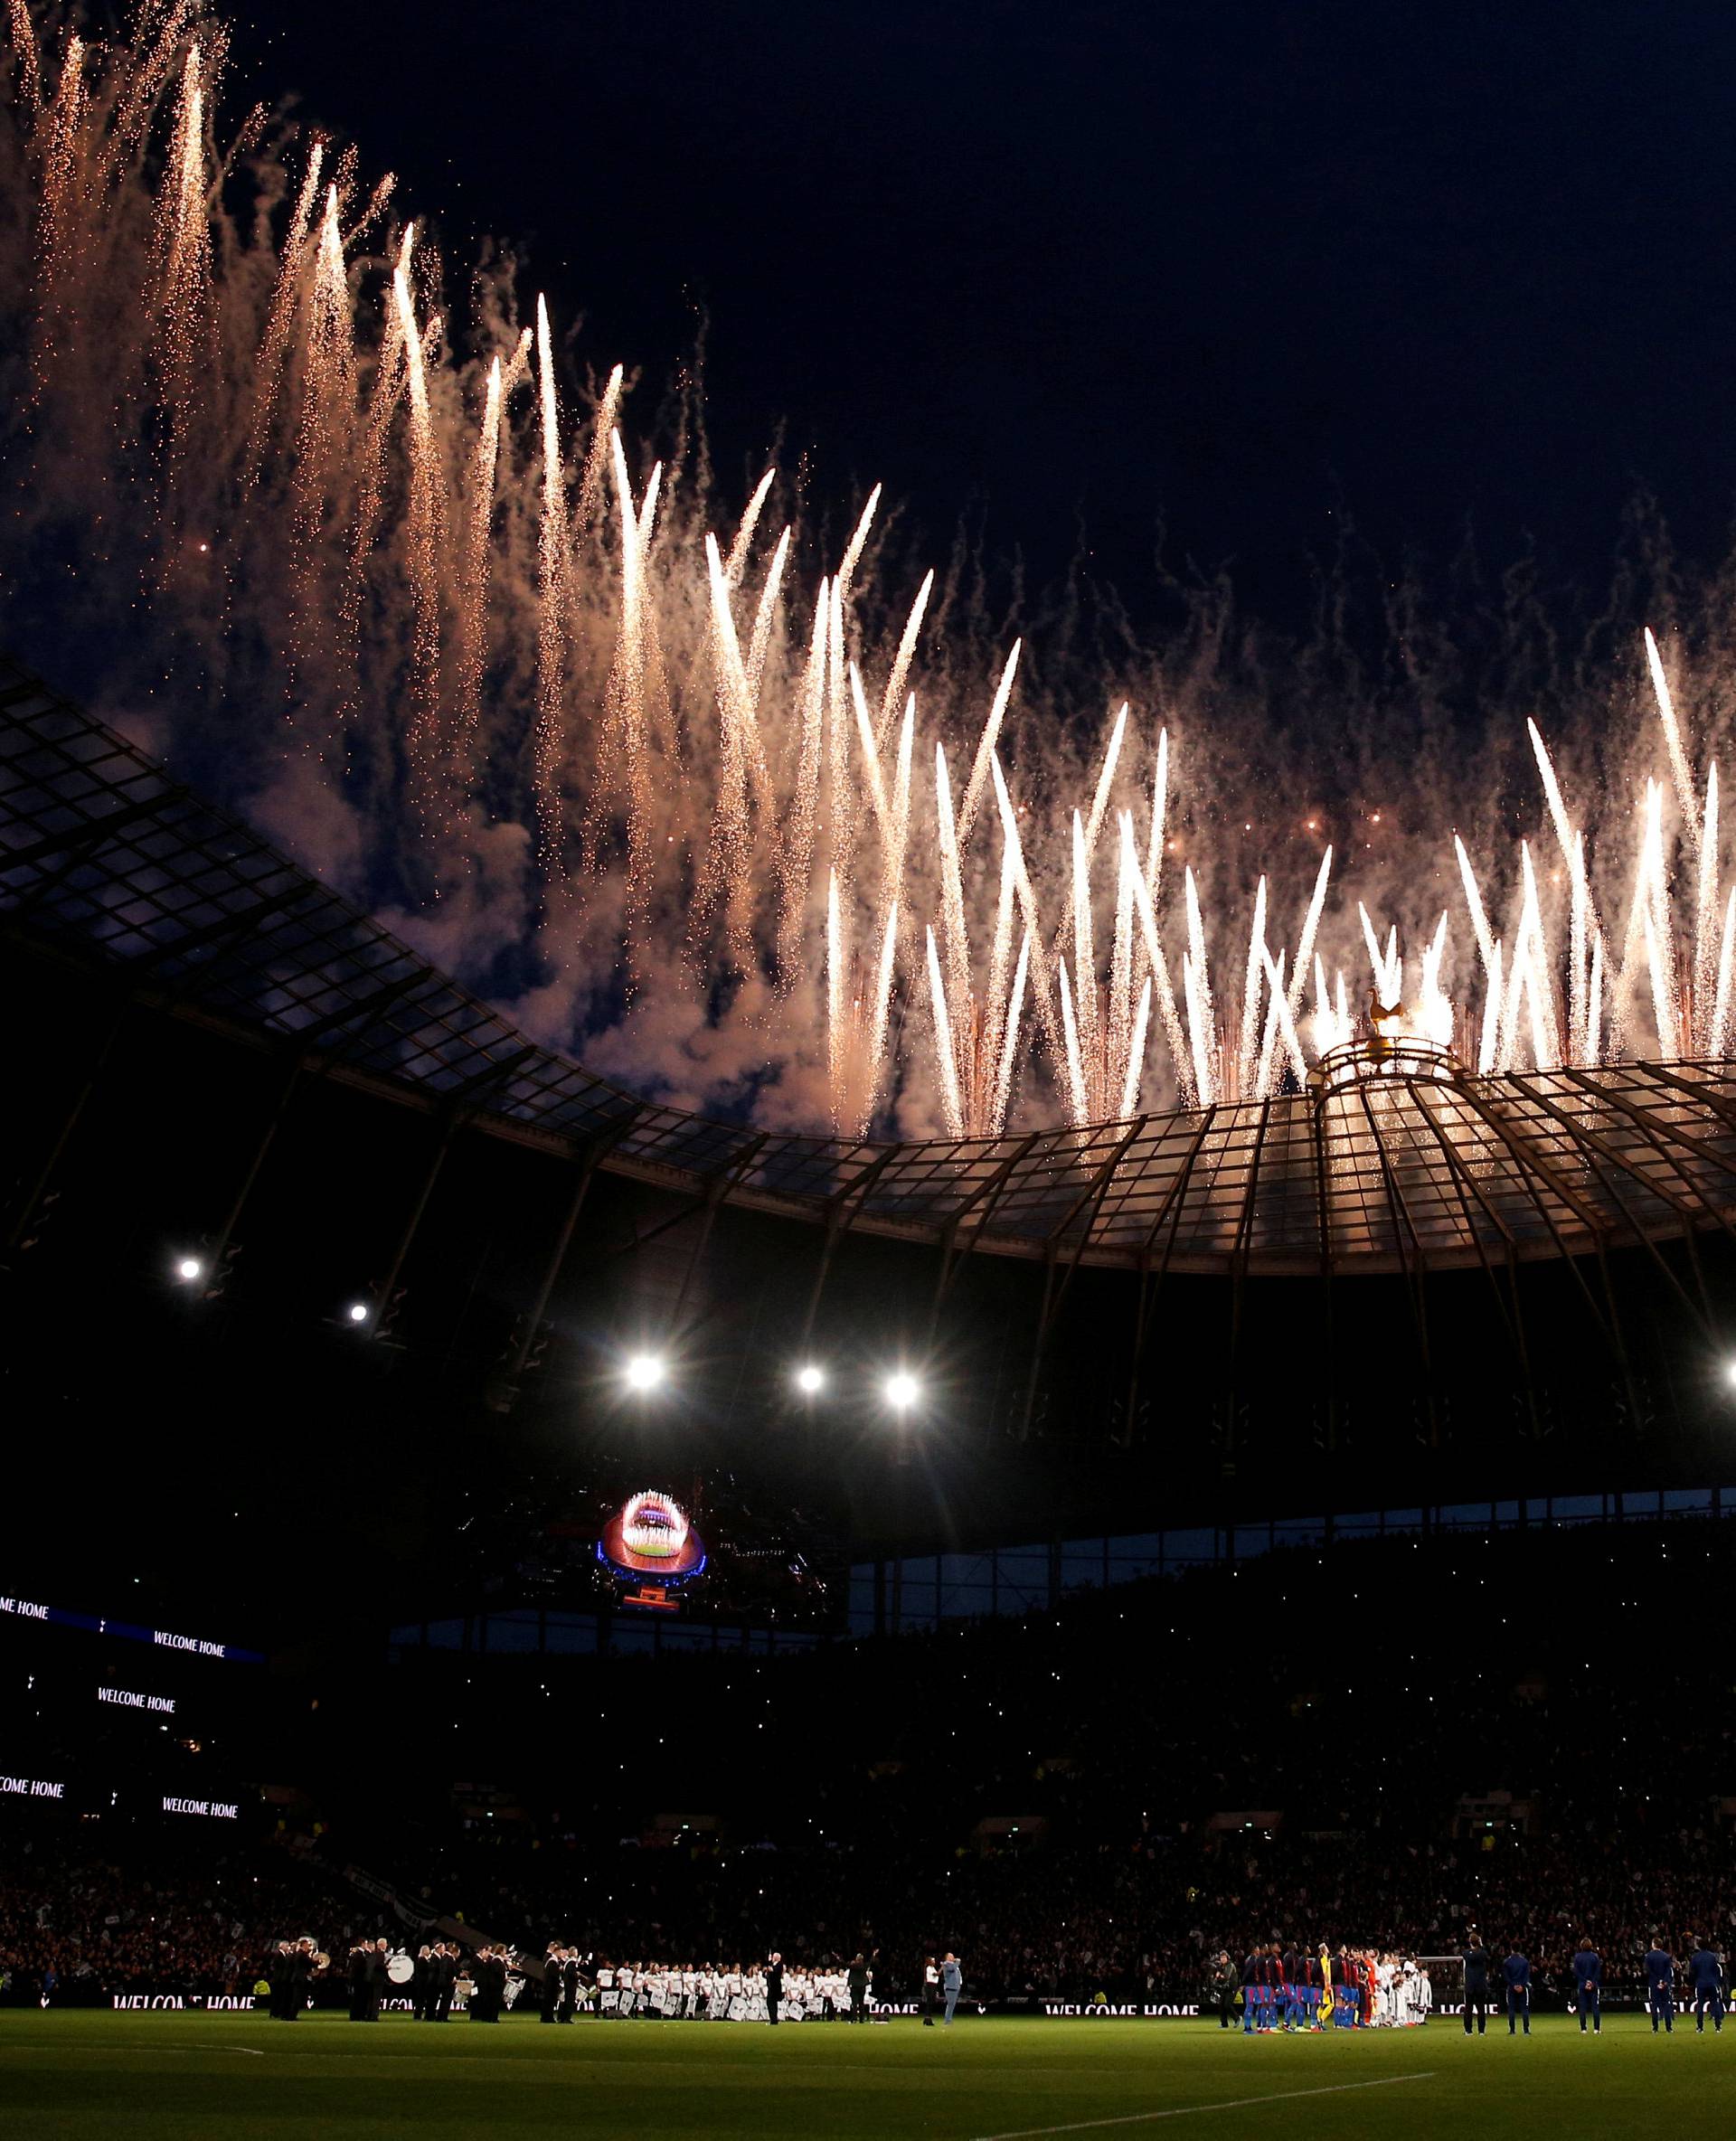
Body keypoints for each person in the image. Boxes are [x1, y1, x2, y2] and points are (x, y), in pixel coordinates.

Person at [1687, 1937, 1725, 2033]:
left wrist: (1693, 1981)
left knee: (1700, 2005)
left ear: (1699, 1946)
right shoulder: (1712, 1956)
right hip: (1712, 1983)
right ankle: (1718, 2026)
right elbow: (1716, 1970)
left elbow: (1692, 1972)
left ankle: (1700, 2027)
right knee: (1715, 2004)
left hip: (1701, 1984)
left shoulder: (1695, 1957)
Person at [1646, 1938, 1675, 2033]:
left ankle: (1655, 2028)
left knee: (1654, 2006)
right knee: (1666, 2005)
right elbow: (1668, 1971)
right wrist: (1663, 1981)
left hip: (1654, 1984)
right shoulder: (1666, 1956)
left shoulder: (1649, 1956)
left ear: (1653, 1944)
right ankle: (1669, 2028)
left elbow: (1649, 1971)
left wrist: (1657, 1981)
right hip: (1665, 1985)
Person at [1571, 1939, 1601, 2035]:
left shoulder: (1577, 1957)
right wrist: (1591, 1982)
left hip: (1582, 1985)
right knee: (1595, 2007)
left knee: (1582, 2008)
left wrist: (1585, 1981)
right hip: (1593, 1986)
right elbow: (1597, 1971)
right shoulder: (1595, 1957)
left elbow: (1576, 1971)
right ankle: (1596, 2029)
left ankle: (1583, 2029)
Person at [1462, 1936, 1491, 2036]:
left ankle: (1468, 2030)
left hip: (1470, 1984)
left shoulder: (1466, 1953)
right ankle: (1481, 2031)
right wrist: (1481, 1945)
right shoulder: (1483, 1953)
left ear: (1470, 1942)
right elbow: (1486, 1955)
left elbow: (1466, 1954)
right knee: (1481, 2008)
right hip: (1480, 1984)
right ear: (1479, 1942)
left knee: (1468, 2008)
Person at [1503, 1945, 1531, 2036]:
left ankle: (1512, 2031)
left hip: (1511, 1988)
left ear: (1512, 1949)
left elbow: (1506, 1977)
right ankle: (1526, 2031)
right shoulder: (1525, 1962)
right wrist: (1522, 1985)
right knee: (1524, 2009)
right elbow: (1526, 1976)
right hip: (1522, 1988)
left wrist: (1513, 1985)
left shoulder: (1507, 1962)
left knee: (1511, 2009)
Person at [941, 1952, 962, 2025]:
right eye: (951, 1956)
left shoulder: (954, 1965)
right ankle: (947, 2021)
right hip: (950, 1987)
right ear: (947, 1957)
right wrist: (957, 1961)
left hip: (955, 1987)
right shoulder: (946, 1964)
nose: (953, 1957)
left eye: (953, 1955)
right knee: (950, 2004)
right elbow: (952, 1968)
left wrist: (959, 1985)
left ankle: (949, 2020)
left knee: (952, 2005)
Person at [764, 1951, 784, 2025]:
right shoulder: (773, 1964)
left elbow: (772, 1970)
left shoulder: (780, 1964)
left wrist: (769, 1962)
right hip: (771, 1986)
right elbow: (767, 1972)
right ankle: (774, 2019)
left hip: (775, 1986)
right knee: (772, 2003)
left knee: (771, 2002)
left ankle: (773, 2019)